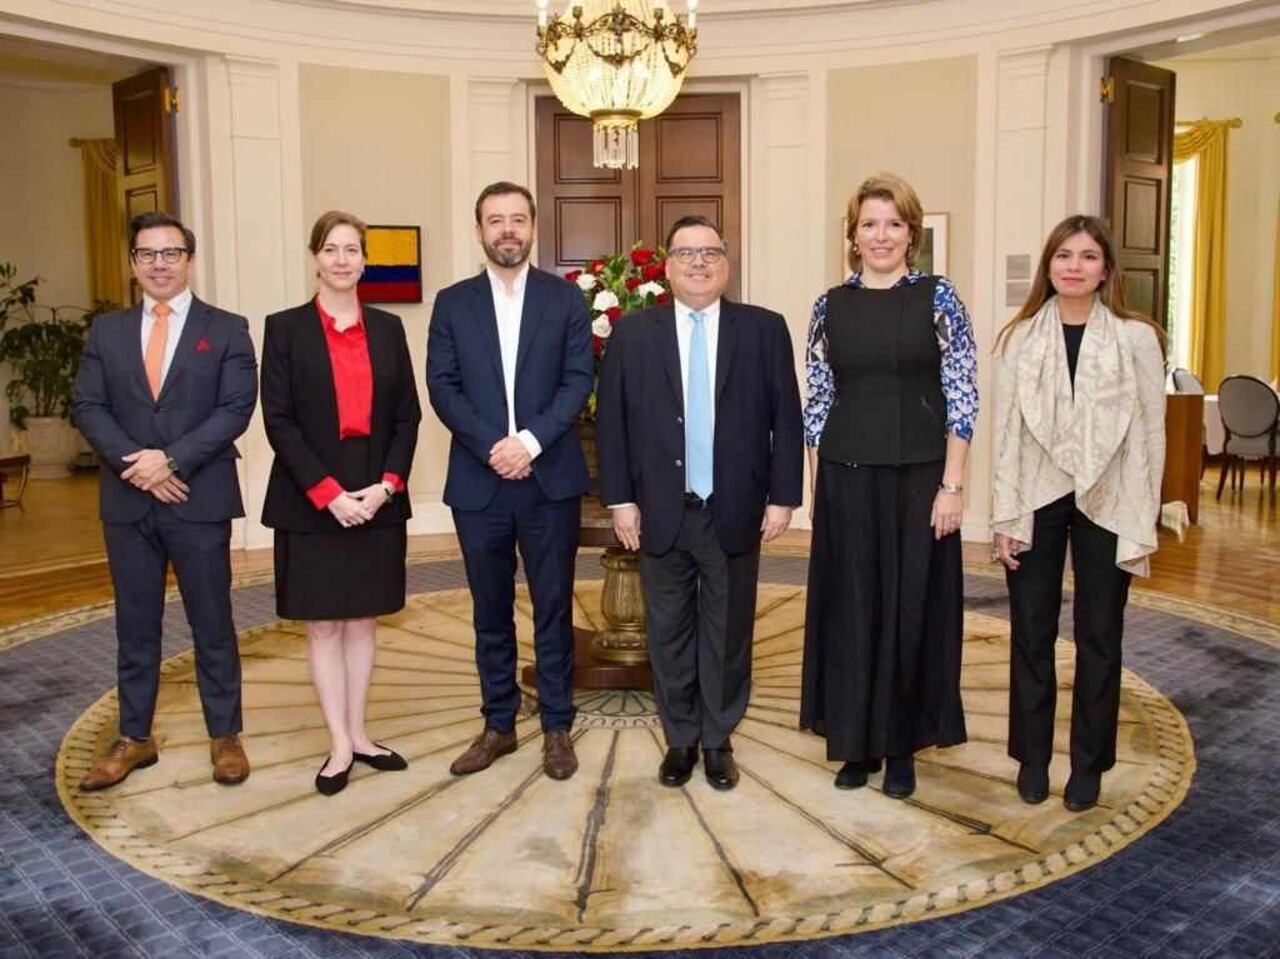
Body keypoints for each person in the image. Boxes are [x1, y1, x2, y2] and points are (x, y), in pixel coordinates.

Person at [597, 215, 804, 791]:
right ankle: (680, 739)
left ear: (726, 263)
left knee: (728, 632)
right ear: (667, 265)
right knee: (668, 634)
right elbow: (612, 426)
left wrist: (784, 497)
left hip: (734, 510)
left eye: (710, 252)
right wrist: (620, 501)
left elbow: (787, 416)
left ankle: (718, 739)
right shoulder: (635, 335)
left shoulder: (763, 330)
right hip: (661, 511)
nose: (698, 262)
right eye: (686, 253)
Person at [799, 173, 977, 799]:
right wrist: (819, 493)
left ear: (912, 234)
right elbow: (816, 407)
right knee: (852, 611)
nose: (881, 235)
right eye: (869, 224)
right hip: (846, 477)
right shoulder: (829, 306)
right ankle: (856, 744)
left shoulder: (938, 298)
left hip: (919, 479)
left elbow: (963, 396)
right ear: (852, 235)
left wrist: (952, 486)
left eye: (893, 224)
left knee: (910, 609)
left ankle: (901, 745)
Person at [72, 211, 257, 790]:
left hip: (197, 497)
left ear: (189, 260)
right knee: (135, 623)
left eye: (170, 253)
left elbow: (235, 408)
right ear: (133, 265)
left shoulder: (226, 328)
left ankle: (225, 735)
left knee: (213, 622)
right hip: (128, 502)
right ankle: (135, 737)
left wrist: (170, 460)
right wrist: (139, 465)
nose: (159, 264)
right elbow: (88, 406)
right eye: (147, 254)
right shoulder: (107, 332)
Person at [992, 215, 1165, 812]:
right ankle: (1033, 758)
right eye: (1064, 255)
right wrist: (1005, 517)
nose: (1074, 266)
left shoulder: (1138, 338)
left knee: (1100, 636)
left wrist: (1142, 517)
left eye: (1088, 256)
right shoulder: (1018, 338)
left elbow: (1150, 433)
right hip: (1036, 495)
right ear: (1048, 266)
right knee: (1030, 634)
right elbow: (1007, 433)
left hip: (1110, 496)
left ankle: (1088, 764)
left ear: (1105, 269)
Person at [427, 182, 592, 781]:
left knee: (554, 607)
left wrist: (529, 442)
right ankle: (499, 722)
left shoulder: (565, 300)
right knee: (488, 609)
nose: (507, 230)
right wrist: (493, 446)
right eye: (495, 220)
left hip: (549, 478)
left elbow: (577, 381)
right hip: (479, 480)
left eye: (517, 219)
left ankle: (556, 726)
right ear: (478, 230)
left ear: (533, 228)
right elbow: (442, 385)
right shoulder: (452, 303)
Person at [260, 211, 422, 796]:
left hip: (376, 495)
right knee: (325, 626)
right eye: (331, 249)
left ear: (364, 260)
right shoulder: (284, 329)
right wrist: (328, 495)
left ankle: (360, 733)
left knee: (363, 620)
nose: (342, 259)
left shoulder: (387, 329)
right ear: (315, 257)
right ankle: (336, 743)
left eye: (353, 249)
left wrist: (387, 485)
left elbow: (408, 416)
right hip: (312, 499)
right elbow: (278, 420)